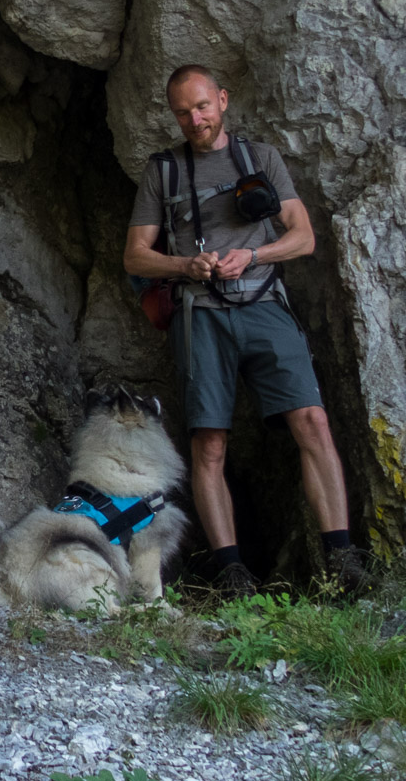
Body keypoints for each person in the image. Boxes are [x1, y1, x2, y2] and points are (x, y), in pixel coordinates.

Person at [121, 64, 370, 597]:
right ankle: (232, 572)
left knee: (313, 420)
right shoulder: (162, 171)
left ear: (223, 99)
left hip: (264, 302)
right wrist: (186, 266)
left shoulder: (261, 159)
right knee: (209, 442)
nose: (196, 118)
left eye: (203, 106)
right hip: (200, 313)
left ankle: (340, 557)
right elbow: (135, 256)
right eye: (184, 111)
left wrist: (253, 254)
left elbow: (302, 238)